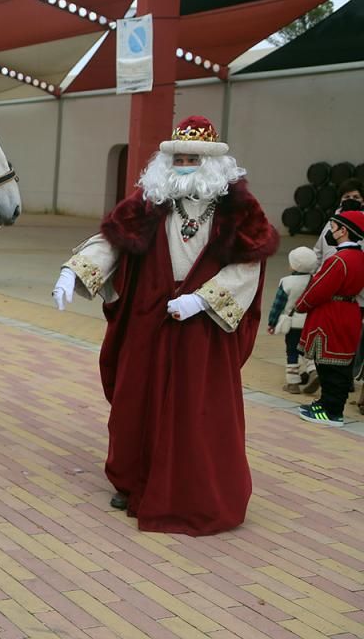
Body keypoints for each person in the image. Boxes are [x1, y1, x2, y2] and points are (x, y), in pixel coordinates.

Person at [51, 115, 278, 536]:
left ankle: (193, 490)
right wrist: (74, 271)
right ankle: (132, 480)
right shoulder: (149, 200)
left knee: (198, 407)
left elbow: (249, 265)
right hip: (147, 319)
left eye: (195, 158)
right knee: (135, 401)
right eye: (179, 157)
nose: (186, 164)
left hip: (203, 328)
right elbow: (111, 241)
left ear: (214, 163)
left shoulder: (239, 209)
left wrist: (201, 299)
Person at [294, 210, 364, 426]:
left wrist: (301, 304)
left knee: (329, 365)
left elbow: (319, 288)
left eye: (333, 227)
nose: (330, 231)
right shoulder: (360, 257)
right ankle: (326, 403)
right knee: (340, 364)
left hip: (332, 313)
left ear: (344, 231)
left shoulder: (338, 260)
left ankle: (331, 411)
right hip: (350, 311)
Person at [267, 247, 317, 393]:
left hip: (293, 324)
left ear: (294, 265)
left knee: (292, 351)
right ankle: (313, 371)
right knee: (308, 349)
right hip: (310, 323)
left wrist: (272, 322)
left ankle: (293, 383)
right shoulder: (315, 280)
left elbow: (278, 305)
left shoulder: (286, 282)